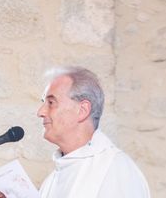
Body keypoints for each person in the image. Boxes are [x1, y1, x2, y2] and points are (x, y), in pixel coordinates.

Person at [36, 66, 151, 198]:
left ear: (82, 110)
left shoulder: (115, 170)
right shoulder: (52, 179)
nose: (40, 112)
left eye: (51, 102)